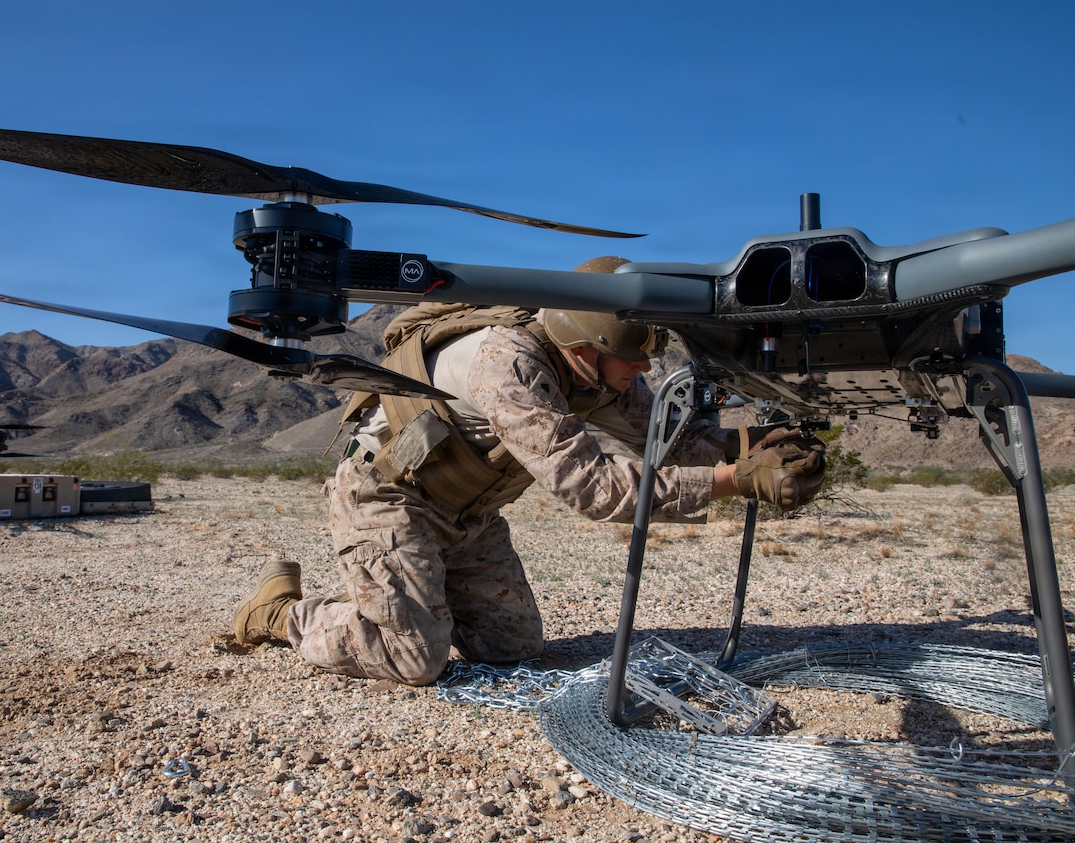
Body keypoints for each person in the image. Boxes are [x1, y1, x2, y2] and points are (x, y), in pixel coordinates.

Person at [231, 257, 826, 686]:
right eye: (632, 359)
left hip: (468, 514)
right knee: (413, 659)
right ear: (585, 348)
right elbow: (595, 489)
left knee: (510, 649)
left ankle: (400, 596)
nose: (642, 368)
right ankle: (283, 612)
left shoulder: (600, 370)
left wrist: (749, 444)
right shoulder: (506, 363)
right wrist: (738, 481)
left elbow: (668, 439)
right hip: (389, 499)